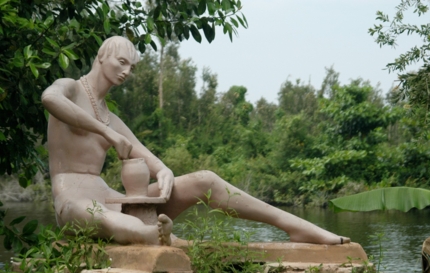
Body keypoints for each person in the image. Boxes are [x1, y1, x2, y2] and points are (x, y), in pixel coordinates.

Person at [42, 36, 350, 246]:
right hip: (73, 201)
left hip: (111, 199)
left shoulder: (113, 118)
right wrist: (106, 132)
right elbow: (49, 99)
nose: (127, 71)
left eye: (132, 67)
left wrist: (163, 173)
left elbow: (155, 164)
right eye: (122, 62)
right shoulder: (70, 89)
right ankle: (159, 238)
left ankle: (296, 226)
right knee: (107, 220)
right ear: (102, 56)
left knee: (205, 179)